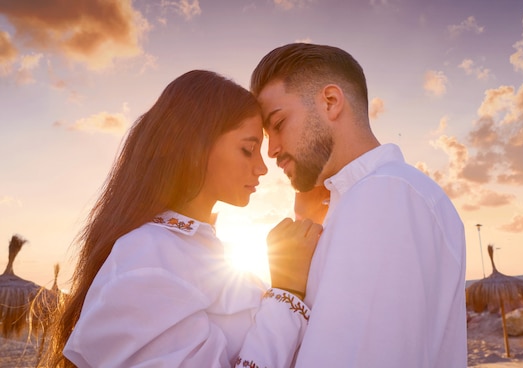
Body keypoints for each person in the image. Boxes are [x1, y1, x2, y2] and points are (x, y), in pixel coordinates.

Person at [42, 70, 322, 368]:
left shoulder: (191, 251)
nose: (262, 168)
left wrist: (305, 216)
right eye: (248, 149)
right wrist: (286, 290)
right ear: (195, 145)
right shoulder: (147, 256)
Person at [250, 43, 468, 367]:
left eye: (278, 124)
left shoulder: (384, 194)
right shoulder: (372, 197)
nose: (272, 150)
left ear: (331, 102)